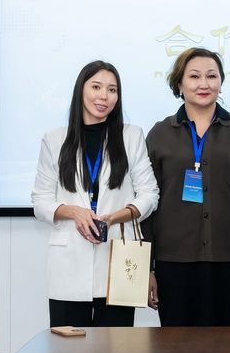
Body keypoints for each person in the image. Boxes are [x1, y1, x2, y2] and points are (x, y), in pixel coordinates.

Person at [32, 60, 159, 327]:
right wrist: (73, 212)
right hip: (68, 265)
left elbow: (150, 193)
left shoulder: (131, 136)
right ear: (81, 90)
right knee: (68, 349)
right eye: (96, 87)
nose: (104, 96)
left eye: (112, 90)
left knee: (117, 350)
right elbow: (40, 201)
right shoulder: (54, 139)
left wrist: (116, 217)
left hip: (119, 264)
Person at [143, 48, 230, 326]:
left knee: (229, 345)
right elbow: (147, 206)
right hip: (173, 262)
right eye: (194, 76)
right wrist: (146, 268)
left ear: (221, 82)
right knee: (176, 345)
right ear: (179, 84)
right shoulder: (160, 134)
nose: (204, 84)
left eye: (212, 76)